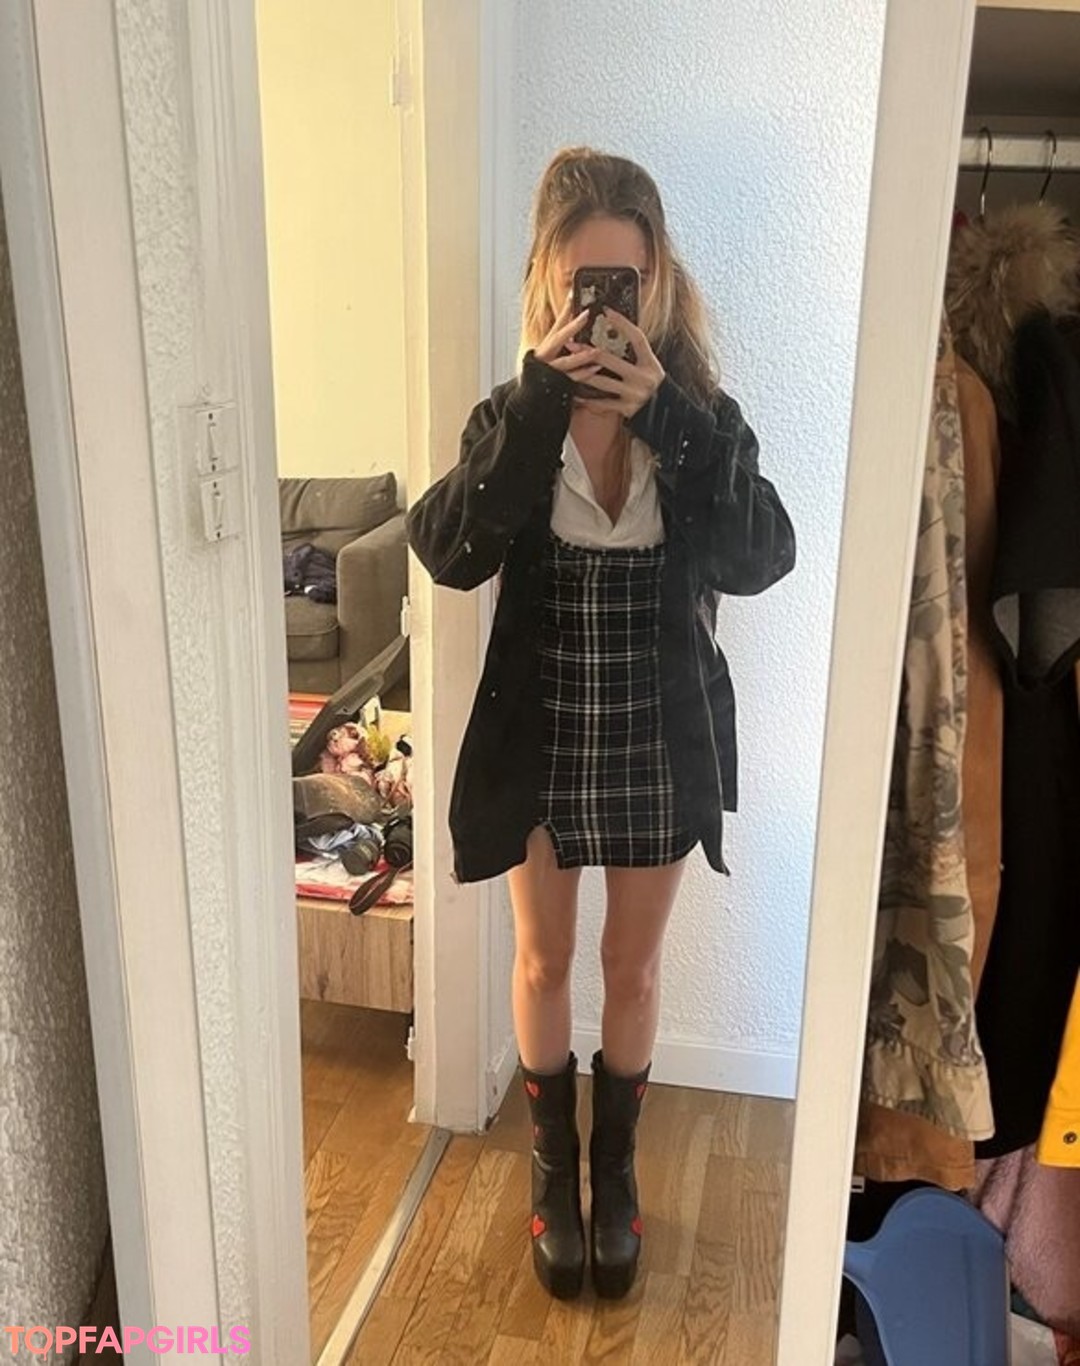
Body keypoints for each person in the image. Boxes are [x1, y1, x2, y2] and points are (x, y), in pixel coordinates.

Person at [406, 147, 796, 1301]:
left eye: (624, 284)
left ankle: (612, 1176)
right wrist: (540, 402)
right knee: (541, 956)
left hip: (658, 729)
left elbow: (762, 554)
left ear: (656, 281)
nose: (605, 309)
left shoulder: (698, 417)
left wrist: (664, 415)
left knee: (632, 965)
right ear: (547, 280)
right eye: (585, 285)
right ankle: (551, 1172)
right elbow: (447, 549)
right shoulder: (514, 416)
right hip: (544, 725)